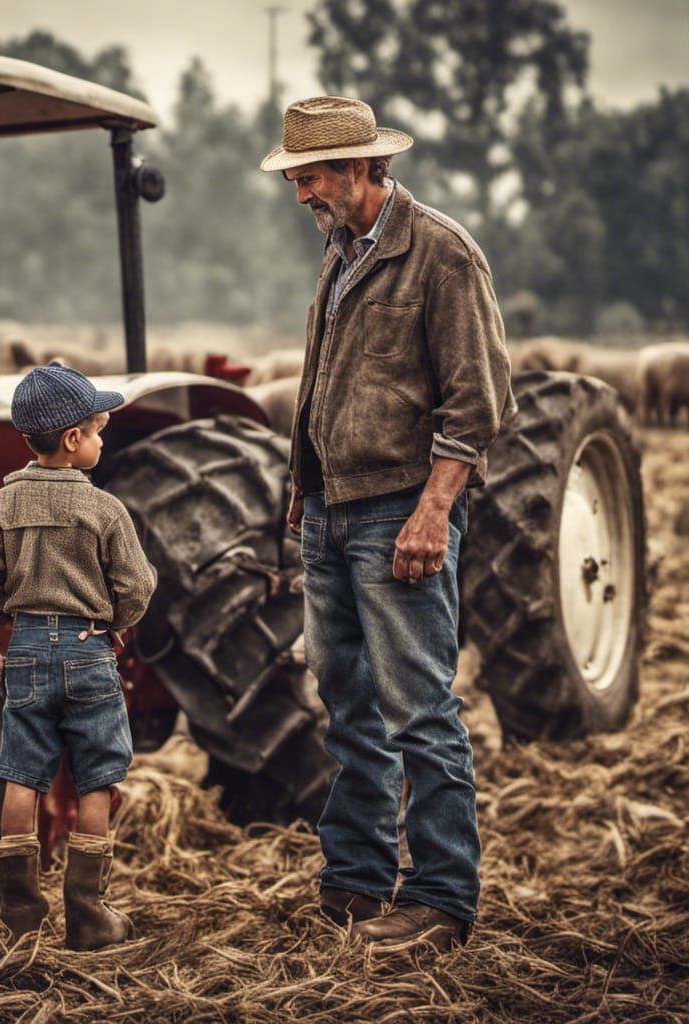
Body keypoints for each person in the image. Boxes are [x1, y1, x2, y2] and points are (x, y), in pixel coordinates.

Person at [260, 97, 515, 952]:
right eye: (296, 176)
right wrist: (306, 485)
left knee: (418, 709)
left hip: (399, 513)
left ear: (367, 167)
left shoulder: (440, 252)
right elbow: (331, 383)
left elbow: (478, 404)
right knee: (346, 703)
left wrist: (433, 510)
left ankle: (441, 897)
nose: (302, 193)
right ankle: (358, 881)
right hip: (330, 514)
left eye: (314, 175)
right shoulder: (340, 256)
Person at [0, 363, 156, 951]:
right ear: (73, 441)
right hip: (87, 651)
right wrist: (109, 626)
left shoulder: (2, 504)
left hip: (24, 650)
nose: (102, 440)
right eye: (98, 430)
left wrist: (12, 618)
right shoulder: (104, 510)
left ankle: (20, 912)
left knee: (22, 772)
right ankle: (88, 913)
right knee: (97, 776)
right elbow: (138, 587)